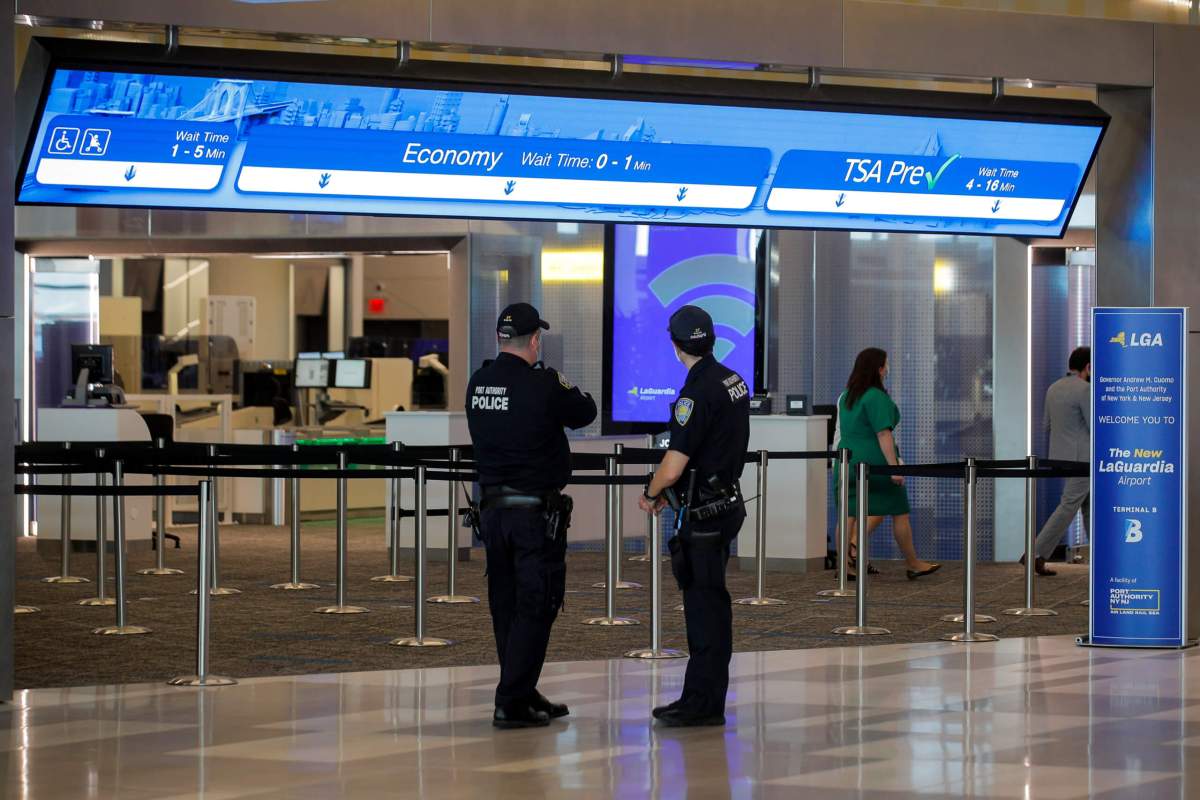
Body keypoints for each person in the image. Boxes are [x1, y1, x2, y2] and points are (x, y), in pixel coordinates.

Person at [465, 302, 597, 729]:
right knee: (536, 603)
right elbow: (585, 412)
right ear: (536, 340)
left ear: (499, 339)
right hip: (533, 517)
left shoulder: (478, 382)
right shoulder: (543, 384)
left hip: (493, 515)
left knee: (505, 604)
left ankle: (521, 688)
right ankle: (511, 700)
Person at [639, 305, 750, 728]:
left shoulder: (695, 392)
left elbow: (674, 462)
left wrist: (652, 492)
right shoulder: (732, 380)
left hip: (703, 513)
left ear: (676, 344)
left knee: (704, 607)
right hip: (724, 502)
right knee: (712, 603)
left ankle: (702, 703)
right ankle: (702, 696)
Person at [834, 347, 939, 581]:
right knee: (899, 511)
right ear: (879, 369)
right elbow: (883, 435)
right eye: (886, 364)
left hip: (847, 459)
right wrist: (893, 467)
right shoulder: (876, 397)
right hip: (873, 461)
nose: (888, 369)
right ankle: (913, 563)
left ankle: (844, 567)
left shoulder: (848, 396)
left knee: (848, 514)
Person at [1025, 346, 1091, 576]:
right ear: (1088, 367)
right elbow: (1094, 425)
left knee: (1089, 507)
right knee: (1069, 505)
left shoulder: (1053, 388)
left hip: (1061, 456)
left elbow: (1046, 425)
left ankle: (1101, 558)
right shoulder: (1084, 390)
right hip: (1083, 459)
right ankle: (1035, 552)